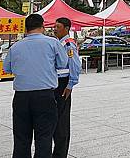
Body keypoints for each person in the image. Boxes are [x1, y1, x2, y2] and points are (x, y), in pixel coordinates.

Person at [3, 14, 68, 158]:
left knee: (21, 138)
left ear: (26, 29)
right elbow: (63, 63)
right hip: (45, 96)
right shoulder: (52, 43)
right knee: (44, 138)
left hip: (21, 97)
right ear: (42, 26)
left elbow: (7, 68)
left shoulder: (16, 46)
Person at [52, 17, 81, 158]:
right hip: (55, 84)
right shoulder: (58, 43)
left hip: (63, 84)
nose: (55, 28)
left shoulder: (68, 44)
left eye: (58, 26)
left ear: (66, 28)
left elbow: (75, 65)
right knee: (55, 119)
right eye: (54, 26)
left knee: (62, 121)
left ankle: (60, 153)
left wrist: (70, 85)